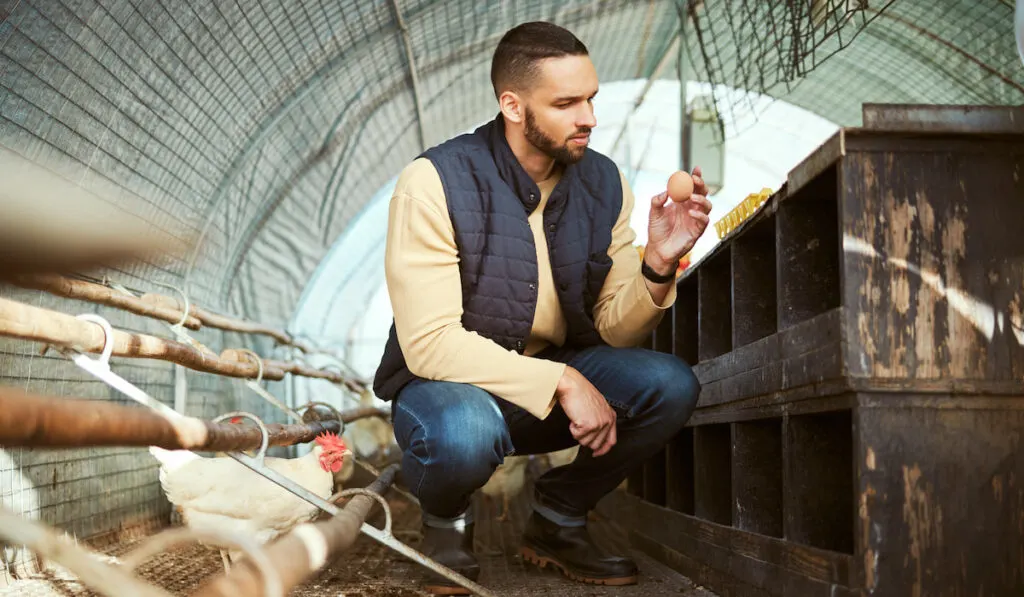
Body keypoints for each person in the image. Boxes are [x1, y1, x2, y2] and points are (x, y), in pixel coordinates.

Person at [373, 20, 710, 593]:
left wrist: (657, 263)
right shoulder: (434, 181)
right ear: (512, 104)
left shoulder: (605, 182)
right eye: (567, 103)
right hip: (448, 386)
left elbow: (614, 326)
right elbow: (428, 342)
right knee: (461, 433)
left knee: (670, 385)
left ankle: (558, 519)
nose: (590, 118)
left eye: (592, 99)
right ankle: (446, 523)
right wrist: (562, 381)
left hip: (548, 388)